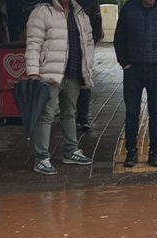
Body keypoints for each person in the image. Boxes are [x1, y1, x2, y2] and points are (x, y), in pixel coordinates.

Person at [25, 0, 97, 175]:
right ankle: (41, 158)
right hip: (49, 73)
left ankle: (71, 151)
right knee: (46, 115)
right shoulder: (41, 12)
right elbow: (33, 44)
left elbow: (88, 45)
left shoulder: (81, 14)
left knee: (69, 113)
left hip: (73, 73)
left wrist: (87, 69)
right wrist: (33, 72)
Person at [114, 0, 157, 168]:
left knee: (156, 112)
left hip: (156, 70)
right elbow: (119, 37)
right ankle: (131, 153)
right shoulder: (129, 9)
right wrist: (125, 62)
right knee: (131, 112)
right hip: (133, 69)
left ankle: (154, 152)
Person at [75, 0, 104, 132]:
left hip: (84, 47)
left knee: (85, 80)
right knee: (79, 81)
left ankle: (82, 117)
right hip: (66, 46)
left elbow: (97, 23)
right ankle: (80, 117)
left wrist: (91, 42)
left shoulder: (91, 3)